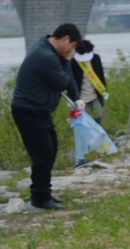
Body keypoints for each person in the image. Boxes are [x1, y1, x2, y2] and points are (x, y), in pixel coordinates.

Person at [11, 23, 84, 210]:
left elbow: (69, 79)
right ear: (65, 39)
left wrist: (77, 98)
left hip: (40, 111)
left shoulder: (53, 51)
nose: (71, 51)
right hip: (28, 110)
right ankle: (40, 198)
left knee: (50, 149)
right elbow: (61, 82)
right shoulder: (45, 56)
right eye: (72, 46)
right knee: (43, 153)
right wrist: (68, 62)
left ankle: (44, 191)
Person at [70, 39, 107, 125]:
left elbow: (101, 76)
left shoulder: (96, 58)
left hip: (94, 95)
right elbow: (71, 81)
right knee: (84, 119)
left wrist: (105, 92)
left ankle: (97, 132)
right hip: (81, 97)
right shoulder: (74, 62)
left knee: (99, 115)